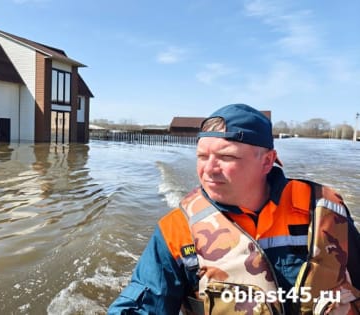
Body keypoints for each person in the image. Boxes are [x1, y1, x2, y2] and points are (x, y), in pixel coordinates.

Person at [107, 103, 360, 315]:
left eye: (226, 157)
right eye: (202, 157)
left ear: (267, 161)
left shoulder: (325, 211)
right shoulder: (178, 231)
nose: (209, 169)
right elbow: (141, 306)